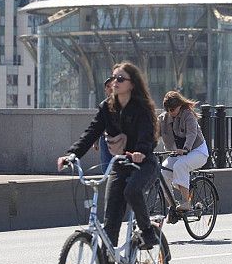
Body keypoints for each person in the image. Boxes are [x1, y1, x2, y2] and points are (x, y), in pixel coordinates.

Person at [60, 62, 161, 250]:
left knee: (132, 191)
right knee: (111, 219)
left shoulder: (142, 107)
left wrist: (140, 151)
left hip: (143, 164)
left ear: (132, 84)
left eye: (120, 79)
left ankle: (147, 231)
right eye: (114, 78)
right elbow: (91, 132)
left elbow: (147, 135)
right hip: (119, 165)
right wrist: (73, 154)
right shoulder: (107, 107)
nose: (115, 82)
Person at [158, 91, 209, 211]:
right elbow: (155, 134)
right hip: (178, 154)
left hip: (198, 152)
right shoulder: (164, 119)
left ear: (180, 105)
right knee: (163, 173)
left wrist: (186, 149)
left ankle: (186, 202)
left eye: (173, 109)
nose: (171, 112)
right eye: (168, 110)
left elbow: (192, 134)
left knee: (180, 165)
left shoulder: (188, 115)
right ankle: (173, 206)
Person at [96, 76, 115, 172]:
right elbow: (97, 125)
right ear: (105, 90)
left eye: (112, 86)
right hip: (105, 139)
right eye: (108, 86)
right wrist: (95, 141)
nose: (110, 88)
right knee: (106, 169)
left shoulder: (125, 104)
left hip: (119, 140)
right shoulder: (103, 106)